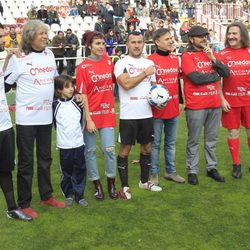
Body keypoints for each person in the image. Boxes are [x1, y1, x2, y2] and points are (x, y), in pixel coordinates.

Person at [4, 20, 66, 219]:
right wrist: (7, 60)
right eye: (42, 33)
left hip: (46, 117)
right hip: (26, 119)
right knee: (26, 162)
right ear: (30, 36)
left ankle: (46, 195)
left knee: (45, 158)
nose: (46, 37)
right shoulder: (19, 58)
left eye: (46, 34)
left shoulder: (49, 55)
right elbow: (5, 85)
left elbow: (56, 82)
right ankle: (24, 202)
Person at [114, 31, 162, 200]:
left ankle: (144, 181)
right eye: (133, 42)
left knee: (147, 147)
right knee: (125, 150)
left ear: (143, 43)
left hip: (146, 113)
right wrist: (144, 74)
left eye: (139, 42)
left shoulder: (149, 63)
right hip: (128, 115)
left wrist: (160, 97)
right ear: (127, 44)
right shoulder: (121, 63)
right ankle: (125, 186)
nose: (136, 45)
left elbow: (154, 88)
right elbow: (126, 84)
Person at [181, 25, 230, 185]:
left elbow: (226, 73)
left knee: (211, 139)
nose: (204, 38)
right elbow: (195, 79)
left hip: (214, 104)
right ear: (191, 39)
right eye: (200, 36)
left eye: (205, 36)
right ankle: (192, 171)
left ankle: (211, 168)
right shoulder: (187, 56)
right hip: (196, 105)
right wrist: (215, 75)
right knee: (193, 140)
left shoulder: (211, 54)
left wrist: (213, 60)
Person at [76, 31, 118, 201]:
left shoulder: (109, 62)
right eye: (98, 44)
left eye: (103, 43)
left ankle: (111, 183)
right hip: (91, 115)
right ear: (89, 46)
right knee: (90, 151)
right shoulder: (83, 67)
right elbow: (83, 94)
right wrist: (88, 119)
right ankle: (97, 185)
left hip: (107, 113)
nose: (102, 46)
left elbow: (120, 81)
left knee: (109, 150)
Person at [0, 23, 32, 222]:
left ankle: (12, 208)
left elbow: (3, 85)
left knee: (5, 170)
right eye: (1, 36)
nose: (4, 40)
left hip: (4, 126)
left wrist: (10, 59)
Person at [148, 28, 185, 185]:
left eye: (171, 38)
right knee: (155, 143)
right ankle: (153, 173)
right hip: (157, 110)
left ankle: (170, 171)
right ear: (157, 42)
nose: (171, 41)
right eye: (167, 39)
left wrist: (181, 100)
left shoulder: (174, 58)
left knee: (170, 143)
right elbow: (148, 87)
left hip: (174, 108)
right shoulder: (150, 60)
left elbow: (177, 81)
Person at [217, 22, 250, 179]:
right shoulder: (222, 55)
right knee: (233, 132)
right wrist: (222, 98)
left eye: (234, 34)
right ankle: (236, 165)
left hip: (248, 100)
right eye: (229, 34)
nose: (231, 36)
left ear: (242, 35)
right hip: (230, 101)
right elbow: (216, 80)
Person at [53, 75, 88, 207]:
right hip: (64, 146)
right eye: (66, 87)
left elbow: (81, 121)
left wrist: (79, 95)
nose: (71, 89)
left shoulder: (78, 102)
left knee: (80, 170)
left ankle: (79, 196)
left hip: (79, 144)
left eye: (72, 85)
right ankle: (68, 194)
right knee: (66, 171)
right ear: (59, 90)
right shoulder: (54, 105)